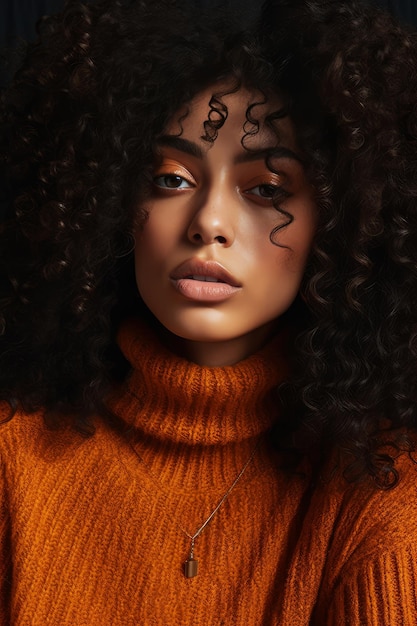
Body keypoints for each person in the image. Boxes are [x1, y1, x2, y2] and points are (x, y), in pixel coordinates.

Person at [1, 0, 417, 623]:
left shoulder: (381, 490)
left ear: (344, 221)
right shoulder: (12, 457)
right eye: (170, 178)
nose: (209, 224)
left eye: (267, 190)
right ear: (106, 197)